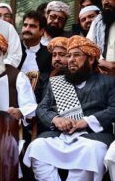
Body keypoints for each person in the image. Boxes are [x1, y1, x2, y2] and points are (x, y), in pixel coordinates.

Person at [23, 35, 115, 181]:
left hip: (93, 136)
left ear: (90, 59)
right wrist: (56, 119)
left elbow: (113, 109)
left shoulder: (108, 82)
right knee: (37, 147)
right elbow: (42, 108)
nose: (70, 59)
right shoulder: (57, 83)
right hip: (61, 135)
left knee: (92, 151)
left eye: (76, 55)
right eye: (69, 55)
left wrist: (86, 121)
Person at [87, 0, 115, 76]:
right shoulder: (97, 22)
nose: (105, 2)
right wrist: (101, 61)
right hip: (102, 75)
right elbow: (89, 46)